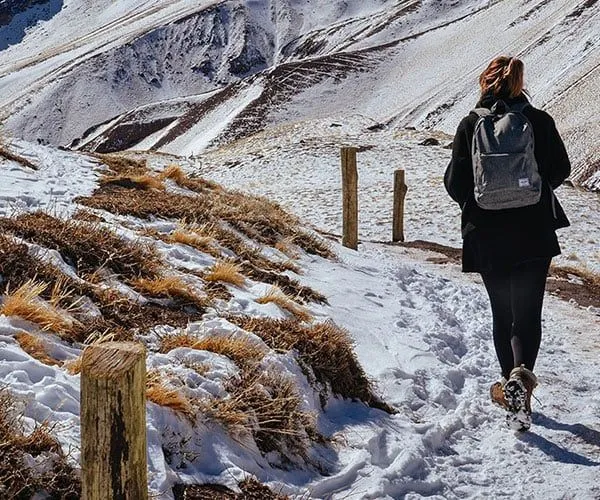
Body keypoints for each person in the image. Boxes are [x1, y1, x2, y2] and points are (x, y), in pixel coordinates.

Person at [444, 56, 571, 430]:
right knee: (528, 314)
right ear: (519, 83)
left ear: (485, 82)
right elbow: (560, 170)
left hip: (485, 234)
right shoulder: (539, 121)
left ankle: (509, 387)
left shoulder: (470, 125)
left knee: (503, 314)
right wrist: (530, 190)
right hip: (534, 232)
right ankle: (521, 380)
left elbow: (455, 185)